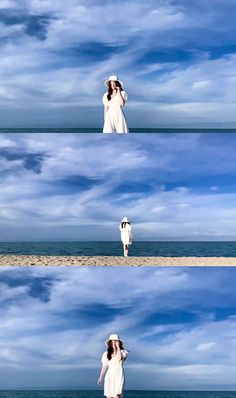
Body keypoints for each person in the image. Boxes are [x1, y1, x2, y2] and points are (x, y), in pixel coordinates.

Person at [98, 333, 128, 398]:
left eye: (116, 342)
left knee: (117, 395)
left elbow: (119, 359)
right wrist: (101, 377)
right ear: (110, 343)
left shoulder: (123, 352)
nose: (114, 344)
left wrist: (118, 348)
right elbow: (104, 366)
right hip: (109, 375)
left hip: (119, 375)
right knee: (109, 396)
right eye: (112, 342)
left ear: (119, 343)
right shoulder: (106, 354)